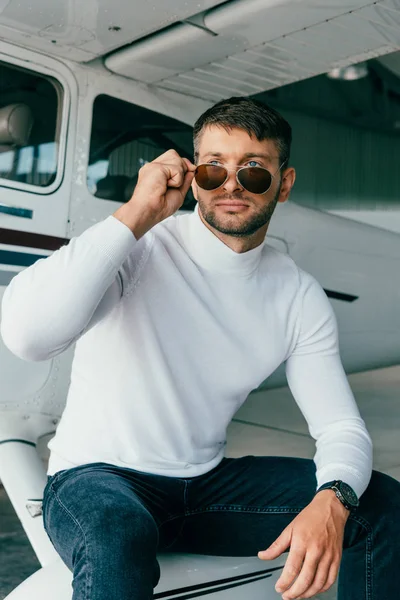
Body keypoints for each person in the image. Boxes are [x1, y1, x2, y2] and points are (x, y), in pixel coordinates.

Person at [1, 97, 399, 600]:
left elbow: (340, 426)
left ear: (286, 182)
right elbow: (28, 336)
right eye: (214, 170)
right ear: (194, 177)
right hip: (95, 477)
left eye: (253, 172)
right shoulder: (141, 247)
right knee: (118, 533)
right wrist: (136, 213)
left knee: (378, 501)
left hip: (203, 488)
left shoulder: (297, 294)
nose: (231, 186)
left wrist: (334, 498)